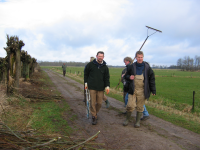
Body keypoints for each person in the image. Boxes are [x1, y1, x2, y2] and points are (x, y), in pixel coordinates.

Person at [123, 51, 156, 128]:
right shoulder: (131, 66)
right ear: (136, 58)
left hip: (142, 90)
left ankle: (137, 122)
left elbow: (152, 79)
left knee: (140, 107)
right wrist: (129, 77)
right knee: (130, 106)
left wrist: (153, 90)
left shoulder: (147, 67)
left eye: (141, 57)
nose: (140, 59)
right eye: (138, 57)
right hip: (133, 90)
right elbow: (125, 75)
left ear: (143, 57)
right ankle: (127, 120)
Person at [84, 51, 110, 125]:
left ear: (103, 57)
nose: (100, 58)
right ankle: (94, 117)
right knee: (92, 103)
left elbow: (106, 78)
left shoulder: (105, 67)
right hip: (91, 87)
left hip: (101, 88)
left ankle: (95, 113)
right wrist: (86, 83)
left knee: (99, 103)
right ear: (96, 56)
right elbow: (86, 74)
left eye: (102, 56)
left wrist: (107, 86)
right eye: (99, 56)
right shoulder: (90, 65)